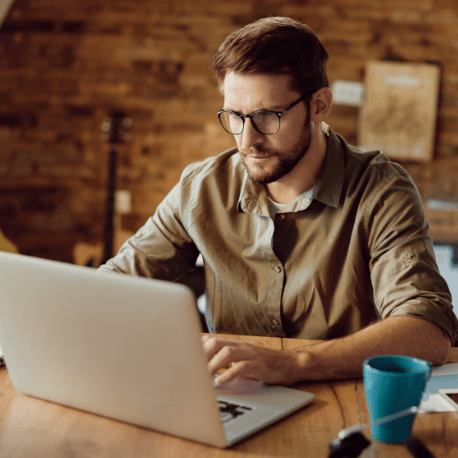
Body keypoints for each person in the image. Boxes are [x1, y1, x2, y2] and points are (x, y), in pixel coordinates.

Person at [99, 17, 457, 386]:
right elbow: (109, 288)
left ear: (319, 105)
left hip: (344, 401)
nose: (247, 140)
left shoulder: (382, 190)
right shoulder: (201, 187)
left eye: (267, 116)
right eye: (234, 117)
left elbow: (427, 331)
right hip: (237, 395)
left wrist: (294, 364)